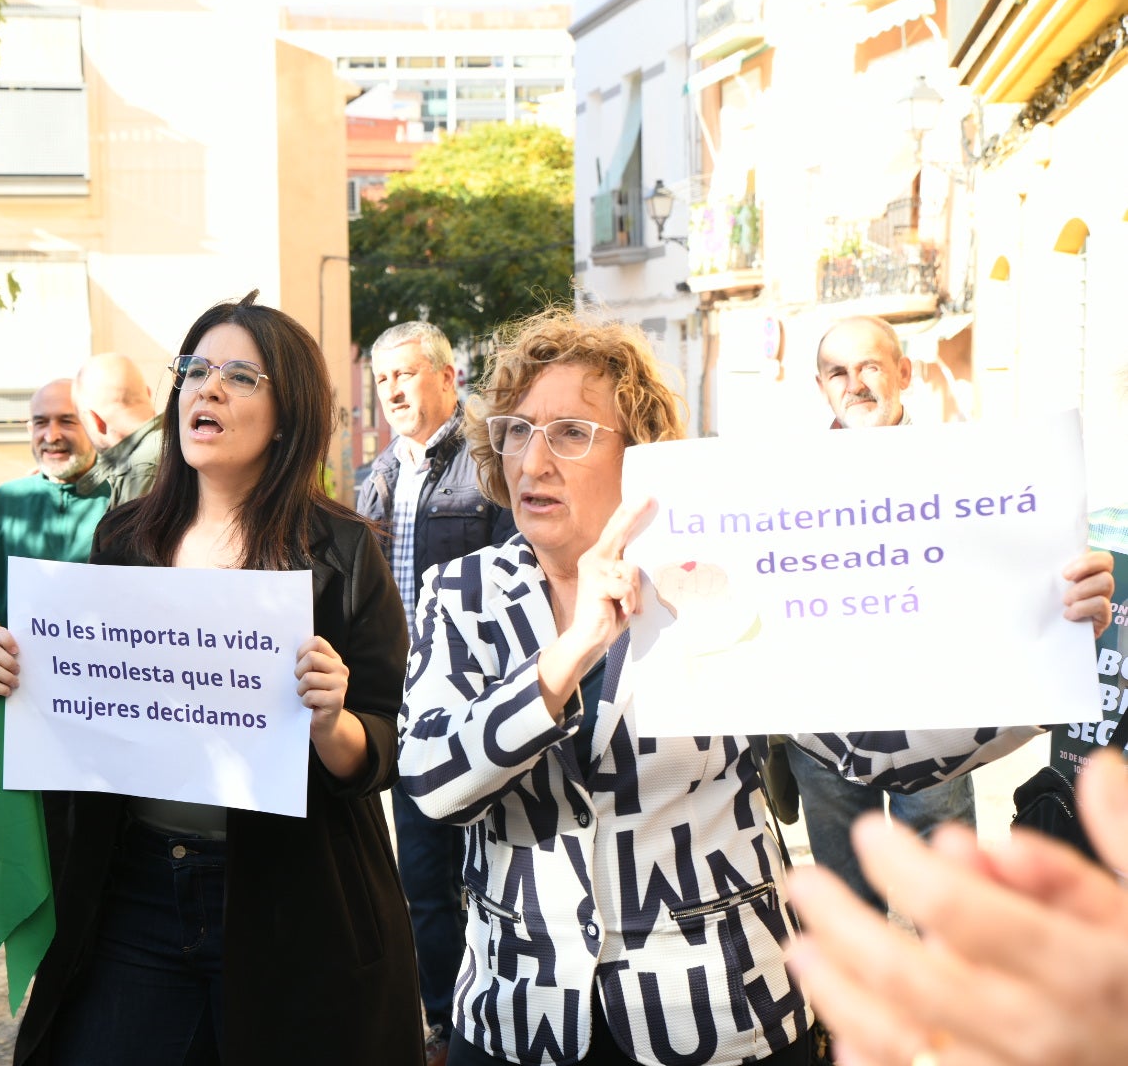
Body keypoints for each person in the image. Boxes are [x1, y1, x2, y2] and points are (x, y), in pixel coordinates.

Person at [396, 308, 1113, 1066]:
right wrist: (569, 655)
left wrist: (1044, 657)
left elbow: (874, 749)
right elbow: (434, 783)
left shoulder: (713, 574)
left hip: (724, 1009)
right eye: (515, 429)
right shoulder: (463, 592)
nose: (532, 462)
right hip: (521, 1018)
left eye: (572, 433)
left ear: (638, 452)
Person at [0, 291, 423, 1066]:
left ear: (287, 416)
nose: (207, 388)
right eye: (194, 369)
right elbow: (85, 713)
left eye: (240, 377)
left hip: (293, 902)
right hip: (137, 893)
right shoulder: (123, 537)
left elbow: (383, 745)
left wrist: (333, 724)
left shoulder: (345, 551)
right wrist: (23, 680)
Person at [356, 320, 514, 1066]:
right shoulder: (374, 477)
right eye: (382, 379)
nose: (390, 390)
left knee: (490, 867)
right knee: (421, 878)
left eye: (404, 375)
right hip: (410, 707)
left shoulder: (488, 465)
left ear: (447, 379)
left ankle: (501, 1009)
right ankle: (449, 1022)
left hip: (486, 701)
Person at [788, 314, 976, 912]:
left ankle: (958, 1002)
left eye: (869, 366)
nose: (855, 384)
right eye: (837, 372)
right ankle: (861, 1007)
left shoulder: (965, 469)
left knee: (946, 891)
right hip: (823, 722)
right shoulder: (782, 484)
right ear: (822, 388)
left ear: (904, 372)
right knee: (848, 899)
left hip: (933, 711)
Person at [783, 748, 1128, 1066]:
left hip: (925, 714)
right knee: (851, 903)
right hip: (818, 729)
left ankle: (961, 1019)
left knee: (947, 889)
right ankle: (861, 1024)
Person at [0, 378, 108, 621]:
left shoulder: (123, 498)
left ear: (93, 425)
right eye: (41, 422)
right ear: (30, 430)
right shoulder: (5, 502)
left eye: (66, 421)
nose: (51, 436)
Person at [73, 351, 164, 509]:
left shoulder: (140, 467)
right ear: (148, 394)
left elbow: (133, 534)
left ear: (94, 421)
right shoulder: (179, 440)